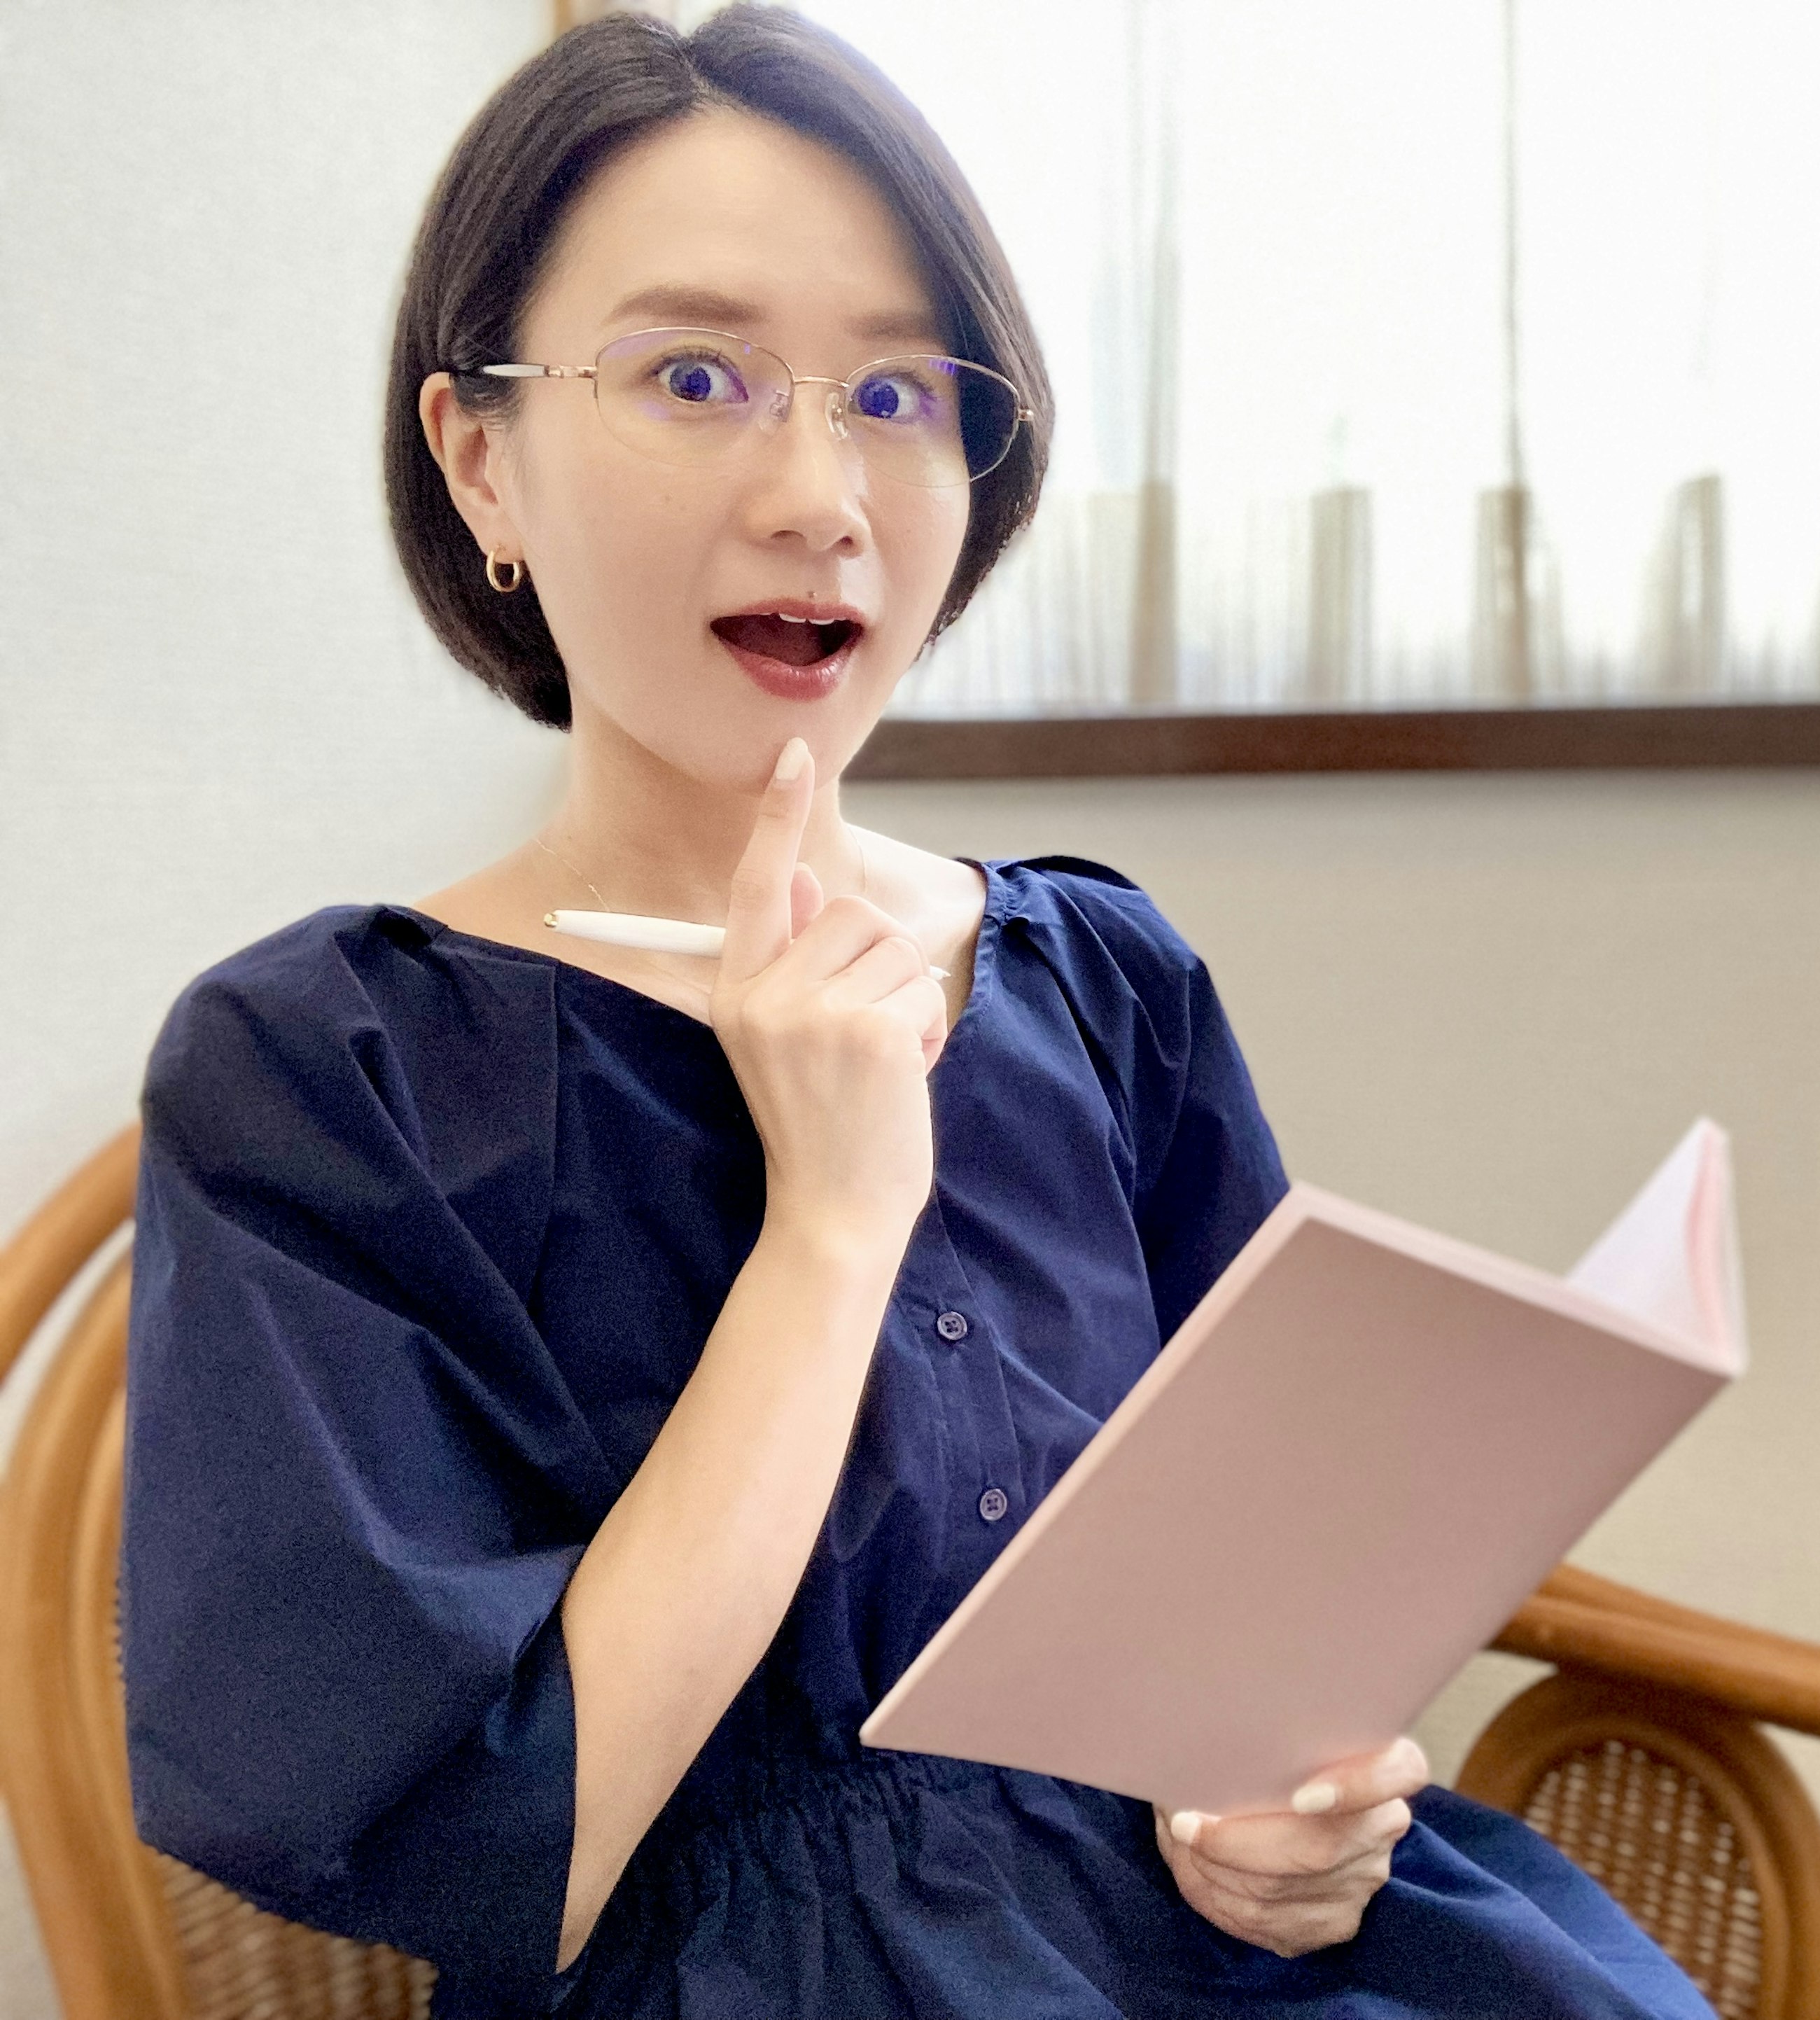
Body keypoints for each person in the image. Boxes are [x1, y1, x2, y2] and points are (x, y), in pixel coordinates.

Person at [118, 8, 1719, 2016]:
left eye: (897, 389)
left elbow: (1269, 1606)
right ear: (479, 458)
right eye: (693, 374)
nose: (819, 489)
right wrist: (833, 1221)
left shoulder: (1099, 980)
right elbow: (497, 1835)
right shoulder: (324, 1070)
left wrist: (1305, 1829)